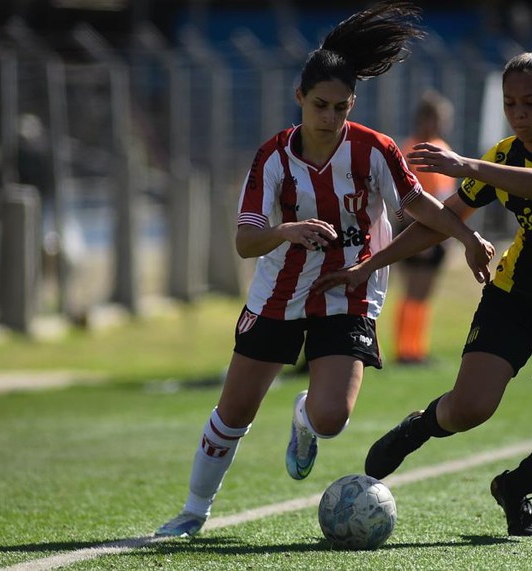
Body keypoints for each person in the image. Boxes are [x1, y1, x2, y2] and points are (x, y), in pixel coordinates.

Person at [155, 2, 495, 538]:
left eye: (340, 107)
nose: (329, 117)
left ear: (352, 105)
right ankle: (193, 512)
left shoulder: (375, 150)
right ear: (299, 98)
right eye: (320, 105)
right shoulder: (273, 157)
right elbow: (245, 241)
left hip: (350, 289)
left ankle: (305, 420)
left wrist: (468, 235)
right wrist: (286, 232)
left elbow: (419, 206)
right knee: (235, 409)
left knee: (332, 417)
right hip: (279, 292)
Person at [313, 51, 532, 537]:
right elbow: (440, 222)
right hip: (516, 297)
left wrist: (464, 162)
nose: (520, 114)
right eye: (510, 104)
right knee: (471, 408)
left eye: (531, 102)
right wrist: (369, 265)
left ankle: (514, 488)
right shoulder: (502, 156)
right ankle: (418, 427)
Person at [394, 89, 457, 364]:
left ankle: (416, 348)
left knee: (423, 294)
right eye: (432, 118)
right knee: (413, 291)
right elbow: (407, 196)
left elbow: (445, 195)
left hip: (438, 230)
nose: (436, 123)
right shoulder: (411, 150)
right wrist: (418, 233)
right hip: (417, 228)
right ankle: (406, 350)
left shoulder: (442, 148)